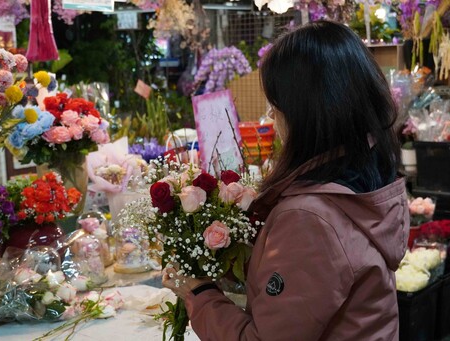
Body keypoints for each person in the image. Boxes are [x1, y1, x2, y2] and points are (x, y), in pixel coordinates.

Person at [162, 20, 410, 340]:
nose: (270, 116)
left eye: (275, 105)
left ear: (305, 113)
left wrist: (198, 292)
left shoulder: (310, 217)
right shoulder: (367, 181)